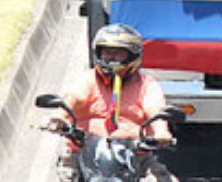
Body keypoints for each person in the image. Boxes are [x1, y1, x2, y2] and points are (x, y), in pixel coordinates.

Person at [55, 25, 175, 179]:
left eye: (118, 53)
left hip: (136, 157)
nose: (111, 58)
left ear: (133, 55)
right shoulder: (88, 79)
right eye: (107, 52)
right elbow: (73, 98)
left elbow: (155, 110)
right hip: (81, 153)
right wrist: (58, 118)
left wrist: (161, 132)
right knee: (66, 173)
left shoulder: (146, 84)